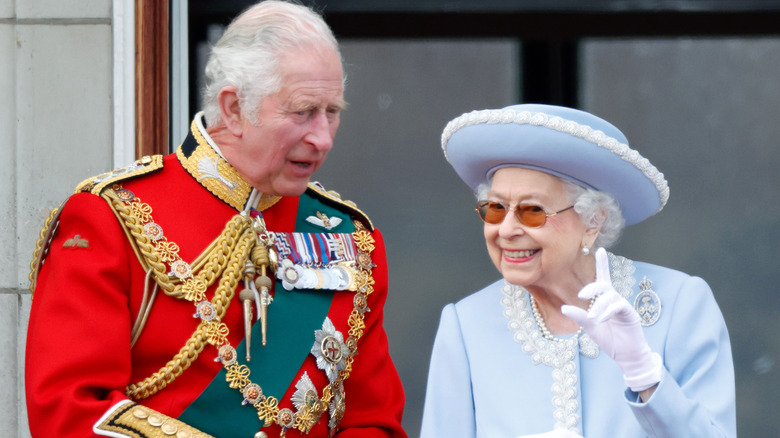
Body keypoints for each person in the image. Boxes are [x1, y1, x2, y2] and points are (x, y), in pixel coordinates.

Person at [25, 2, 407, 437]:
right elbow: (68, 413)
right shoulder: (113, 217)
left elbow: (373, 422)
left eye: (332, 111)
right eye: (303, 112)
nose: (322, 138)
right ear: (233, 109)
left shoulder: (351, 239)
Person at [420, 104, 736, 437]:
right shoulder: (466, 325)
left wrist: (647, 379)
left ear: (593, 220)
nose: (506, 229)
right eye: (496, 208)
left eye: (531, 211)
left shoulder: (679, 305)